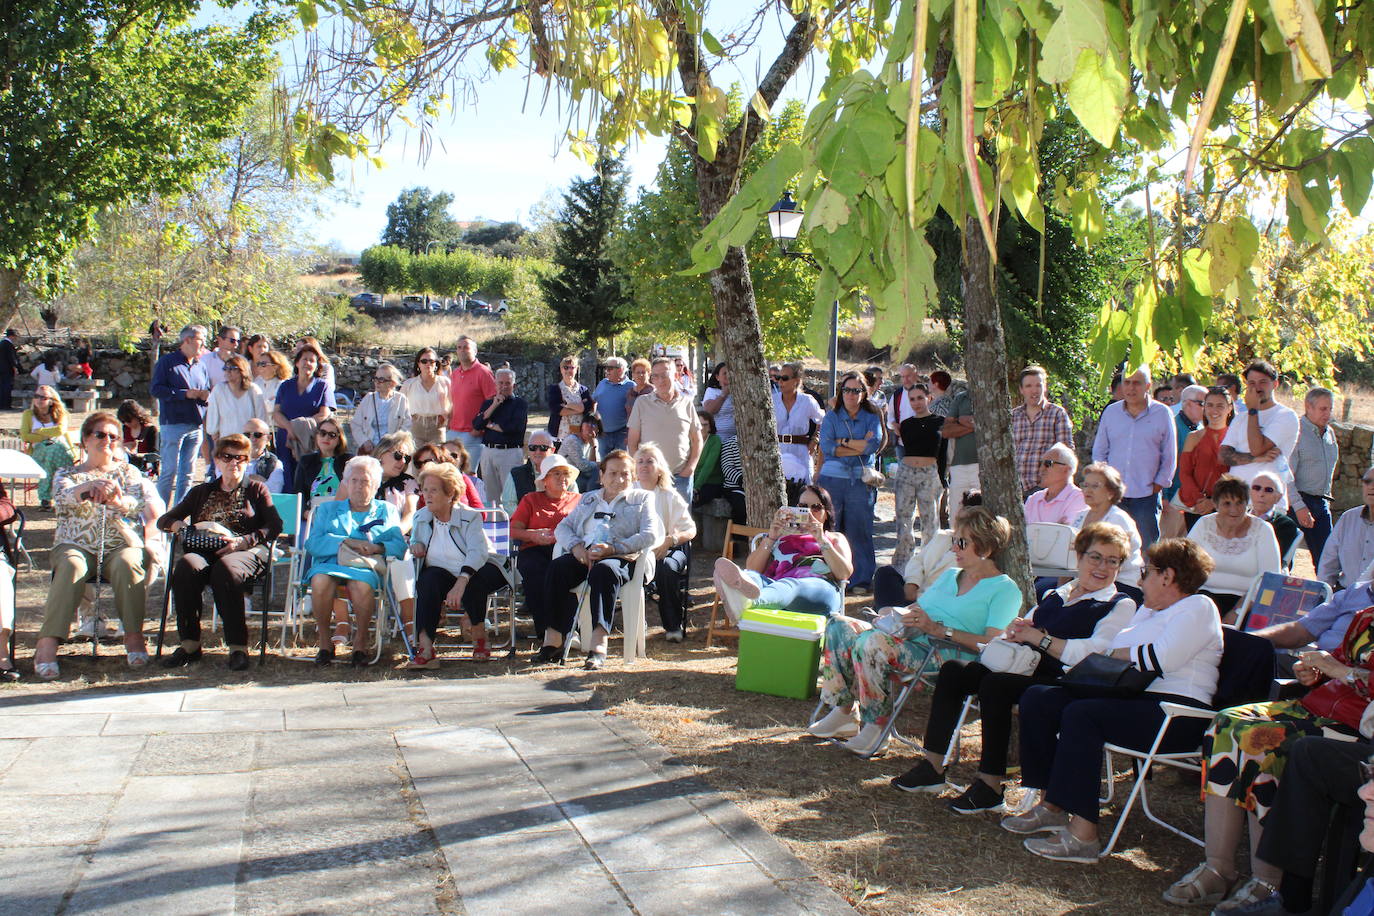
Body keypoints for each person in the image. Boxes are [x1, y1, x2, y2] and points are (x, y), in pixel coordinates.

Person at [890, 523, 1137, 812]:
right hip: (1025, 666)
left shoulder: (1119, 604)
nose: (1103, 567)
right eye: (1095, 557)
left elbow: (1094, 652)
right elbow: (1022, 627)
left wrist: (1040, 639)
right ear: (1079, 558)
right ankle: (932, 767)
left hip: (1064, 680)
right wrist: (1016, 631)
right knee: (955, 671)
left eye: (1113, 561)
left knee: (997, 685)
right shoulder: (1058, 594)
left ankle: (991, 785)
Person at [1007, 538, 1224, 863]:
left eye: (1147, 573)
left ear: (1167, 576)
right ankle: (1050, 804)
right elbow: (1119, 655)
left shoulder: (1198, 607)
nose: (1140, 581)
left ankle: (1084, 835)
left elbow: (1159, 658)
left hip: (1177, 715)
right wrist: (1112, 654)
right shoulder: (1149, 612)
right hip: (1135, 700)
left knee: (1083, 715)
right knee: (1040, 697)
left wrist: (1112, 653)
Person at [1162, 607, 1374, 911]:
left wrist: (1341, 672)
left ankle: (1268, 881)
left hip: (1356, 727)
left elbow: (1347, 672)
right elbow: (1339, 661)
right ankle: (1218, 868)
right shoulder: (1367, 616)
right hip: (1318, 708)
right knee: (1225, 724)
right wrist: (1314, 672)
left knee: (1263, 742)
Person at [811, 506, 1020, 756]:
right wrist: (894, 614)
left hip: (950, 657)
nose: (954, 548)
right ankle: (844, 712)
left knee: (874, 643)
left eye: (962, 542)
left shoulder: (1004, 590)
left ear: (986, 548)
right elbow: (919, 607)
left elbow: (991, 643)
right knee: (839, 625)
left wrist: (940, 630)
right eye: (954, 541)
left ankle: (877, 725)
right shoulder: (951, 575)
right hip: (912, 640)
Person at [32, 412, 164, 679]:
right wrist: (87, 487)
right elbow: (61, 498)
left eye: (113, 437)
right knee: (72, 564)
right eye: (100, 434)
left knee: (130, 561)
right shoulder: (66, 472)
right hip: (74, 543)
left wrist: (117, 500)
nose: (107, 440)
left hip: (118, 542)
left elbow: (138, 504)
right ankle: (47, 643)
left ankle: (134, 636)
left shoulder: (128, 472)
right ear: (85, 439)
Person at [157, 433, 282, 671]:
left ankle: (238, 648)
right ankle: (190, 646)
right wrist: (179, 526)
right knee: (185, 567)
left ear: (247, 462)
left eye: (240, 458)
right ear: (216, 460)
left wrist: (243, 541)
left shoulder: (256, 489)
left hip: (247, 551)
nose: (233, 463)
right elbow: (165, 519)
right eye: (227, 457)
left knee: (225, 570)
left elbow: (275, 526)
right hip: (205, 551)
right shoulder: (201, 492)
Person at [536, 450, 662, 669]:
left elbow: (651, 534)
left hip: (621, 556)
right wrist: (576, 548)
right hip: (585, 554)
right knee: (557, 569)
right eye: (612, 473)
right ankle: (554, 638)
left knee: (604, 571)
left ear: (632, 477)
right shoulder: (589, 498)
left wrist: (613, 548)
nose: (619, 479)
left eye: (625, 474)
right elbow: (563, 528)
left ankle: (599, 643)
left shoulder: (642, 498)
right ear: (602, 476)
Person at [302, 456, 406, 667]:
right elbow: (312, 544)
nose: (359, 486)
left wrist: (378, 547)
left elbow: (400, 546)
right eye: (354, 481)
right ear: (346, 483)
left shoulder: (387, 510)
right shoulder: (327, 510)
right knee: (320, 580)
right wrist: (345, 542)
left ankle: (360, 642)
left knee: (361, 583)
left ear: (375, 485)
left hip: (364, 565)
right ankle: (324, 642)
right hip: (329, 563)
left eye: (365, 481)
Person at [407, 463, 509, 667]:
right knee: (427, 581)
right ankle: (425, 647)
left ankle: (479, 636)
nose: (427, 495)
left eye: (433, 490)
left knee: (474, 582)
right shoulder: (420, 517)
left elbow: (476, 553)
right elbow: (415, 541)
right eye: (424, 490)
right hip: (442, 570)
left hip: (482, 566)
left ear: (450, 493)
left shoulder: (469, 516)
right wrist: (415, 544)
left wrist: (461, 582)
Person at [713, 484, 853, 621]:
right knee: (750, 577)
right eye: (803, 507)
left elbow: (844, 573)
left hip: (820, 591)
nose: (809, 512)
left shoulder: (834, 538)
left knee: (789, 585)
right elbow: (753, 569)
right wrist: (772, 537)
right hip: (777, 589)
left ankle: (749, 603)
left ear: (827, 513)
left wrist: (821, 539)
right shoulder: (783, 536)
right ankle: (739, 595)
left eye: (816, 507)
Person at [1091, 365, 1176, 547]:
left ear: (1148, 386)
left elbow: (1169, 454)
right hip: (1113, 494)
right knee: (1111, 545)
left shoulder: (1162, 414)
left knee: (1147, 548)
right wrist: (1104, 482)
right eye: (1127, 383)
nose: (1130, 388)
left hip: (1146, 494)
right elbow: (1100, 451)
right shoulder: (1111, 412)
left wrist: (1158, 484)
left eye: (1136, 383)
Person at [817, 370, 882, 594]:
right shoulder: (832, 417)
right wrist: (856, 445)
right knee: (831, 529)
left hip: (860, 482)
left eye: (856, 390)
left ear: (864, 393)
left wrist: (841, 442)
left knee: (859, 530)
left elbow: (873, 446)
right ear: (840, 391)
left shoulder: (872, 416)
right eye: (846, 390)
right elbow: (827, 447)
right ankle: (831, 576)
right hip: (832, 479)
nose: (851, 395)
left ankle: (861, 580)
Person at [1186, 475, 1282, 622]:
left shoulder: (1263, 530)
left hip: (1248, 602)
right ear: (1216, 505)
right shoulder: (1204, 524)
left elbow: (1271, 579)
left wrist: (1238, 612)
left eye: (1239, 503)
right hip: (1203, 598)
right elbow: (1184, 563)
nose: (1234, 510)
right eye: (1227, 503)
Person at [1219, 360, 1306, 522]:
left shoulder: (1286, 416)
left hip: (1268, 505)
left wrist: (1253, 410)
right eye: (1251, 383)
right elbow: (1224, 455)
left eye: (1263, 382)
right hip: (1235, 502)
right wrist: (1255, 459)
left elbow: (1257, 447)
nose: (1257, 388)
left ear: (1275, 384)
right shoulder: (1241, 419)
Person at [510, 455, 580, 644]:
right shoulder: (530, 499)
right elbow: (513, 530)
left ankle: (571, 629)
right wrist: (532, 535)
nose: (562, 478)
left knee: (565, 572)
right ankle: (548, 630)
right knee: (536, 572)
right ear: (545, 480)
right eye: (556, 474)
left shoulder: (579, 500)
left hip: (568, 549)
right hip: (534, 549)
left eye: (565, 473)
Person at [875, 491, 984, 609]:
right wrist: (912, 583)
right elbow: (918, 560)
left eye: (961, 508)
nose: (957, 513)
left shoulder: (974, 549)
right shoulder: (943, 536)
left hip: (935, 603)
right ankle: (888, 615)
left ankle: (892, 617)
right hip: (914, 592)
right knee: (885, 573)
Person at [634, 444, 697, 642]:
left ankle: (672, 626)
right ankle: (635, 624)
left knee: (667, 568)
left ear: (660, 467)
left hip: (671, 548)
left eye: (650, 461)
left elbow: (691, 529)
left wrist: (671, 540)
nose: (644, 466)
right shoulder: (629, 494)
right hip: (636, 550)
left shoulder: (670, 495)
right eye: (640, 462)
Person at [626, 357, 702, 503]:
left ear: (675, 375)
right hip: (650, 478)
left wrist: (690, 469)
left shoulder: (686, 404)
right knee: (650, 522)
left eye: (665, 375)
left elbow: (697, 439)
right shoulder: (642, 403)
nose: (660, 380)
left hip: (680, 478)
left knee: (680, 524)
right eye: (655, 376)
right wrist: (641, 471)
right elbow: (632, 442)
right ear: (652, 379)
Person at [150, 324, 211, 505]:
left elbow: (206, 388)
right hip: (173, 424)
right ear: (187, 340)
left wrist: (204, 395)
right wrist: (183, 393)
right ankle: (160, 515)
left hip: (196, 424)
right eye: (201, 340)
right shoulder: (167, 362)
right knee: (169, 471)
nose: (203, 344)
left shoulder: (201, 366)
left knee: (188, 473)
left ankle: (178, 513)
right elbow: (156, 389)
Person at [891, 383, 945, 570]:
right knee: (903, 519)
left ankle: (930, 564)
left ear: (929, 397)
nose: (916, 402)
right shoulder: (906, 424)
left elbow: (944, 453)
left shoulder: (940, 421)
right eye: (912, 399)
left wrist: (942, 478)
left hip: (929, 472)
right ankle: (903, 566)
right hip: (906, 472)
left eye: (920, 398)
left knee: (930, 521)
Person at [375, 431, 421, 643]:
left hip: (396, 540)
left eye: (406, 458)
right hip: (365, 543)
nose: (402, 462)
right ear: (381, 454)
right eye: (397, 455)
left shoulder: (408, 484)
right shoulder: (365, 479)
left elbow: (410, 514)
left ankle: (410, 624)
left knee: (401, 558)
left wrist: (392, 535)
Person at [1070, 462, 1143, 591]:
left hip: (1120, 583)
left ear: (1111, 491)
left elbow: (1118, 563)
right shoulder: (1080, 516)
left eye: (1095, 486)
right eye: (1085, 485)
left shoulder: (1119, 519)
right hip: (1087, 579)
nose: (1088, 490)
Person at [1289, 386, 1339, 568]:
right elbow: (1287, 475)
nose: (1328, 414)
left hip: (1322, 503)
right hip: (1296, 503)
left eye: (1330, 408)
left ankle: (1326, 596)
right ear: (1308, 407)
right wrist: (1299, 507)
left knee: (1328, 560)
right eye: (1323, 409)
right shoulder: (1297, 433)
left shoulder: (1330, 434)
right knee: (1286, 559)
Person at [271, 340, 332, 491]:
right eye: (305, 359)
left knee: (308, 479)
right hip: (285, 438)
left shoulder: (322, 386)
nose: (308, 363)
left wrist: (300, 427)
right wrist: (290, 428)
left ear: (317, 365)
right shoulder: (285, 386)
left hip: (310, 440)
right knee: (286, 477)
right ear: (297, 363)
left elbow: (324, 414)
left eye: (312, 361)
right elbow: (277, 413)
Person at [1011, 366, 1073, 496]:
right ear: (1021, 390)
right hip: (1015, 488)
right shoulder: (1013, 416)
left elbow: (1066, 453)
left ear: (1045, 387)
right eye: (1028, 386)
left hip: (1043, 488)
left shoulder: (1057, 414)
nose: (1034, 390)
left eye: (1038, 385)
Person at [1180, 386, 1233, 530]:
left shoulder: (1236, 438)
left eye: (1220, 406)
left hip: (1227, 505)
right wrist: (1200, 500)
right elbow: (1184, 472)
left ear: (1229, 408)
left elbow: (1236, 474)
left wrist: (1214, 502)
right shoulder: (1193, 437)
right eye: (1209, 405)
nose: (1214, 410)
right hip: (1197, 506)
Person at [774, 360, 825, 504]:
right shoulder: (772, 400)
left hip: (801, 450)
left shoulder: (807, 401)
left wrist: (816, 439)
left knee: (803, 491)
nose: (780, 382)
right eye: (778, 378)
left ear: (796, 380)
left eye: (785, 378)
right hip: (778, 450)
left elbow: (823, 420)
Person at [473, 367, 528, 499]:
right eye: (501, 383)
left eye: (507, 383)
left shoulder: (520, 404)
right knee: (491, 495)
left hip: (510, 453)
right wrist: (494, 405)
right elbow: (477, 425)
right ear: (495, 384)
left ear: (513, 385)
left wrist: (490, 424)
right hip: (488, 452)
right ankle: (494, 519)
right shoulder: (488, 404)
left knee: (511, 494)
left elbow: (514, 428)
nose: (504, 386)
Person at [1162, 384, 1208, 538]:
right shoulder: (1173, 427)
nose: (1207, 408)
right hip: (1173, 501)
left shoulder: (1199, 429)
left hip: (1191, 503)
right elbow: (1165, 462)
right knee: (1166, 548)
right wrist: (1165, 497)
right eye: (1203, 404)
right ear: (1188, 403)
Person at [1318, 466, 1374, 590]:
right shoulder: (1348, 518)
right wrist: (1323, 595)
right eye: (1367, 481)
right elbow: (1328, 562)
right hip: (1345, 596)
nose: (1371, 486)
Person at [203, 355, 266, 463]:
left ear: (242, 370)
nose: (228, 372)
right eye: (225, 369)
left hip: (249, 444)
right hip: (227, 444)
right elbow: (213, 420)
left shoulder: (253, 390)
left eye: (232, 369)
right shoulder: (219, 390)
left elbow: (262, 419)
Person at [21, 386, 77, 508]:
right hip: (38, 452)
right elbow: (25, 436)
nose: (39, 399)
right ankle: (66, 492)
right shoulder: (28, 414)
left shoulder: (61, 414)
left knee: (53, 451)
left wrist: (39, 431)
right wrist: (47, 436)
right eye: (36, 396)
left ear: (51, 400)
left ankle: (45, 498)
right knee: (51, 451)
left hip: (60, 449)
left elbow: (60, 430)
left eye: (43, 397)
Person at [447, 335, 497, 464]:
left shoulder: (483, 372)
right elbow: (455, 401)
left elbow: (492, 402)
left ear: (475, 351)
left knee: (469, 475)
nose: (462, 350)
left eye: (466, 347)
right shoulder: (456, 373)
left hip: (473, 433)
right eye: (459, 347)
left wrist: (479, 428)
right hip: (453, 431)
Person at [499, 430, 571, 515]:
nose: (538, 452)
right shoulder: (516, 474)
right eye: (533, 448)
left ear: (552, 450)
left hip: (559, 523)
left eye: (543, 448)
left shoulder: (565, 472)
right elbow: (508, 503)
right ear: (528, 450)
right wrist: (529, 519)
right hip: (525, 525)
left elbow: (573, 501)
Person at [293, 417, 352, 515]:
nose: (326, 438)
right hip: (313, 515)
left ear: (339, 439)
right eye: (322, 433)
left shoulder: (349, 461)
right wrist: (304, 512)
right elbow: (298, 493)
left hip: (342, 514)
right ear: (316, 436)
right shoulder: (305, 461)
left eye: (332, 435)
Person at [351, 362, 411, 455]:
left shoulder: (401, 399)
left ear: (392, 383)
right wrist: (364, 441)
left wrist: (394, 442)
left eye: (381, 379)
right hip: (370, 450)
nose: (377, 382)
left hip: (391, 449)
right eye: (376, 379)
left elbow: (407, 426)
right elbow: (355, 424)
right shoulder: (368, 398)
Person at [1023, 443, 1087, 526]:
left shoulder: (1080, 498)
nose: (1041, 469)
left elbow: (1067, 534)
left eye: (1048, 464)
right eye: (1040, 464)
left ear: (1066, 469)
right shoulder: (1033, 499)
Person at [402, 347, 452, 448]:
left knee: (438, 459)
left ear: (436, 364)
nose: (428, 364)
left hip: (438, 427)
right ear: (418, 364)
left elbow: (453, 403)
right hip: (416, 427)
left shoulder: (445, 382)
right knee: (415, 460)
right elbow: (399, 406)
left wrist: (446, 418)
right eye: (424, 361)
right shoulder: (409, 384)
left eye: (432, 361)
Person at [941, 374, 979, 503]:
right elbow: (946, 431)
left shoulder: (995, 397)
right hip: (959, 466)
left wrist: (963, 421)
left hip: (984, 467)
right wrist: (979, 425)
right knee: (956, 514)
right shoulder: (960, 398)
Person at [415, 443, 484, 510]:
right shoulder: (420, 485)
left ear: (442, 460)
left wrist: (467, 518)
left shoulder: (462, 479)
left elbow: (480, 511)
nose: (424, 466)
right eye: (419, 463)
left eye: (429, 461)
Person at [1249, 469, 1300, 560]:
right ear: (1250, 492)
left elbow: (1274, 558)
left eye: (1268, 490)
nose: (1261, 494)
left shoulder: (1285, 525)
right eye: (1256, 488)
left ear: (1278, 497)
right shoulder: (1237, 517)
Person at [594, 357, 635, 456]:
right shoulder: (603, 383)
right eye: (606, 368)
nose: (606, 371)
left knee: (621, 463)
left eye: (610, 368)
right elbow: (593, 401)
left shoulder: (631, 386)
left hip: (621, 433)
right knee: (605, 465)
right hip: (603, 433)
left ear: (620, 369)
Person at [117, 399, 159, 480]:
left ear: (137, 416)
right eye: (123, 421)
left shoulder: (150, 429)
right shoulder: (125, 429)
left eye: (128, 420)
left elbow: (154, 455)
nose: (126, 423)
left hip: (145, 468)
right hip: (126, 467)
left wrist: (134, 454)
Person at [887, 363, 921, 457]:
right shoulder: (897, 395)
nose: (905, 380)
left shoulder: (926, 394)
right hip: (901, 445)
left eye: (908, 376)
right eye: (903, 376)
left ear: (916, 375)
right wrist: (894, 425)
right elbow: (890, 416)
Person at [241, 418, 284, 493]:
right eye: (247, 435)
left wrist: (242, 479)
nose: (252, 439)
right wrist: (256, 480)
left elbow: (274, 491)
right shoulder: (231, 459)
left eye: (257, 435)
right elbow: (226, 485)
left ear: (268, 438)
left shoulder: (275, 463)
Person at [294, 336, 336, 409]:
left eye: (300, 349)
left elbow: (327, 389)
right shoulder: (297, 368)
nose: (296, 351)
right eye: (296, 349)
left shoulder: (326, 368)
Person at [701, 363, 735, 440]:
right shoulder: (711, 391)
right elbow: (708, 411)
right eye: (724, 373)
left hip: (736, 437)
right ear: (717, 377)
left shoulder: (739, 391)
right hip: (718, 437)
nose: (728, 375)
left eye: (730, 372)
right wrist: (724, 394)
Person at [253, 350, 291, 416]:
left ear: (275, 367)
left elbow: (274, 407)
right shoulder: (256, 383)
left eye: (263, 364)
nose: (260, 367)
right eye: (258, 364)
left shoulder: (283, 385)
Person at [0, 328, 18, 410]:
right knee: (7, 386)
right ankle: (6, 405)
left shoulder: (1, 343)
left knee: (1, 386)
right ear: (12, 336)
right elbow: (11, 358)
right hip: (7, 369)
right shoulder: (9, 345)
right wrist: (15, 368)